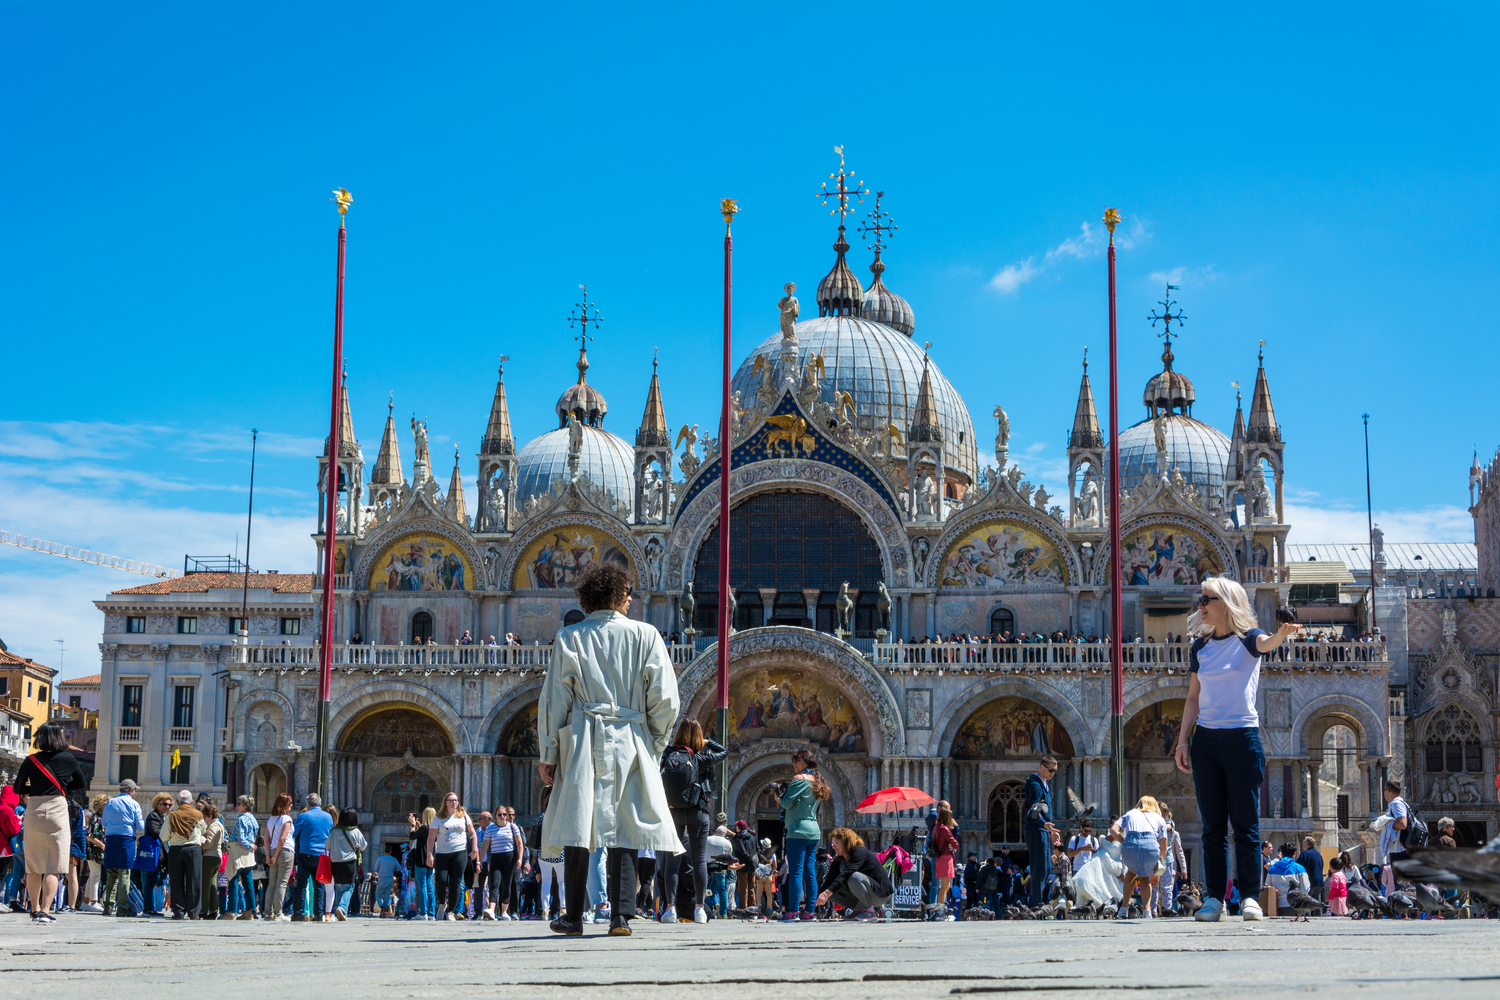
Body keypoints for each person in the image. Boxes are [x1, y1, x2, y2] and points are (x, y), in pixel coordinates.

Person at [536, 563, 684, 938]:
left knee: (577, 823)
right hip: (633, 736)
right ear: (616, 594)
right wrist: (653, 740)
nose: (632, 597)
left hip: (583, 736)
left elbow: (554, 701)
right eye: (629, 590)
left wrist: (549, 752)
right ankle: (620, 916)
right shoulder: (646, 635)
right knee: (626, 825)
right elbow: (666, 698)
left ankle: (573, 917)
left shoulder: (570, 637)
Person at [1174, 575, 1300, 923]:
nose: (1200, 605)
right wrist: (1183, 740)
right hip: (1206, 740)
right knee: (1212, 826)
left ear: (1225, 603)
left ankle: (1248, 897)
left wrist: (1282, 634)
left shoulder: (1248, 640)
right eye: (1200, 600)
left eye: (1207, 599)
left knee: (1245, 824)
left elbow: (1267, 644)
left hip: (1241, 739)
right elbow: (1193, 698)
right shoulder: (1200, 648)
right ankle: (1215, 898)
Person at [10, 722, 88, 922]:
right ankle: (46, 911)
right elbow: (80, 783)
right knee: (53, 864)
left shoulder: (31, 760)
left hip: (35, 809)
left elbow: (18, 787)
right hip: (57, 809)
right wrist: (61, 786)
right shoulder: (68, 758)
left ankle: (34, 909)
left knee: (33, 865)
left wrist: (36, 789)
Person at [658, 718, 728, 924]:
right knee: (698, 860)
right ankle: (699, 909)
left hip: (674, 811)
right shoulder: (701, 756)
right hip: (699, 810)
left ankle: (670, 909)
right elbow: (724, 752)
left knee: (672, 860)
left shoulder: (669, 753)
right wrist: (707, 741)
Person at [774, 747, 832, 922]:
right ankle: (809, 912)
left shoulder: (799, 779)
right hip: (813, 831)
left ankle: (791, 912)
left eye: (797, 760)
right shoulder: (816, 780)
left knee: (796, 871)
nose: (793, 763)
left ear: (806, 761)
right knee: (809, 872)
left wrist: (778, 798)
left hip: (797, 830)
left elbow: (786, 802)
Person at [1110, 796, 1169, 917]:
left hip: (1130, 844)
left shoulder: (1130, 813)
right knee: (1145, 876)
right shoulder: (1159, 818)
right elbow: (1163, 846)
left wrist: (1124, 842)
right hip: (1150, 846)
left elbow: (1113, 830)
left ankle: (1123, 908)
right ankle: (1147, 910)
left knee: (1130, 873)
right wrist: (1158, 870)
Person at [817, 827, 893, 920]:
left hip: (879, 894)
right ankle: (859, 910)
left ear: (845, 841)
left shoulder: (859, 851)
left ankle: (869, 912)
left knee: (852, 877)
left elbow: (846, 873)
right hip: (863, 894)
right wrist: (814, 900)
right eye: (832, 843)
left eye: (835, 843)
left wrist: (826, 893)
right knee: (831, 888)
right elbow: (829, 880)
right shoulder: (840, 859)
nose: (833, 846)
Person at [425, 792, 478, 920]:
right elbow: (431, 837)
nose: (454, 802)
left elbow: (473, 833)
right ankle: (442, 903)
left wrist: (475, 849)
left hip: (460, 853)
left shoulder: (463, 816)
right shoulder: (438, 818)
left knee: (456, 882)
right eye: (451, 800)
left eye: (456, 800)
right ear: (445, 802)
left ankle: (451, 912)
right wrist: (429, 854)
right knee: (441, 881)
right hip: (442, 853)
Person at [100, 779, 143, 917]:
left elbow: (103, 822)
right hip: (126, 839)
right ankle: (123, 906)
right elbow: (140, 826)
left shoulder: (110, 802)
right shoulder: (134, 804)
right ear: (131, 790)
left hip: (111, 839)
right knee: (124, 873)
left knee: (111, 872)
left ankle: (108, 905)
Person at [1024, 754, 1062, 908]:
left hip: (1043, 830)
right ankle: (1036, 904)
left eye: (1055, 771)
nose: (1052, 773)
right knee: (1039, 868)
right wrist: (1044, 824)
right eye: (1050, 770)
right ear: (1042, 767)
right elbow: (1033, 810)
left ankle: (1039, 902)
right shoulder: (1035, 785)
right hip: (1036, 830)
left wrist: (1050, 831)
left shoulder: (1043, 784)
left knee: (1047, 866)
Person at [290, 792, 333, 922]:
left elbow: (293, 832)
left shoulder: (304, 816)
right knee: (319, 885)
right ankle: (319, 914)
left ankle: (298, 913)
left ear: (308, 804)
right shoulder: (328, 817)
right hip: (322, 855)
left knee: (302, 884)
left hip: (306, 853)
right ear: (320, 804)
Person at [164, 790, 206, 920]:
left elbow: (163, 836)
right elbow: (203, 830)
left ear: (177, 802)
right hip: (193, 850)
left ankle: (179, 912)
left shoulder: (172, 815)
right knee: (194, 881)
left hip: (176, 849)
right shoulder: (198, 815)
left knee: (176, 881)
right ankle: (194, 912)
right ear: (191, 802)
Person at [479, 804, 523, 920]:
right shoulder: (490, 828)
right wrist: (479, 861)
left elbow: (519, 844)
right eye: (500, 814)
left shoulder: (513, 827)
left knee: (507, 885)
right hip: (496, 859)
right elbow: (484, 847)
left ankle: (504, 912)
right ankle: (492, 910)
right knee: (495, 884)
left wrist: (520, 859)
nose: (502, 816)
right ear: (495, 816)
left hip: (510, 859)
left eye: (504, 814)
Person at [328, 807, 367, 920]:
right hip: (350, 863)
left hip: (335, 863)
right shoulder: (355, 831)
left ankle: (339, 911)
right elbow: (364, 847)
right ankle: (342, 907)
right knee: (349, 887)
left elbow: (327, 846)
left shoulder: (333, 832)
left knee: (339, 887)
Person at [263, 792, 295, 921]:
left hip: (272, 850)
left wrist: (268, 855)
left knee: (272, 883)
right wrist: (276, 856)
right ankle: (278, 913)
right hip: (284, 851)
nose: (292, 805)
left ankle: (268, 912)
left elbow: (266, 839)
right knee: (282, 883)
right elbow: (283, 839)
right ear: (285, 805)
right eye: (290, 803)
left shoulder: (271, 819)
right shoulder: (286, 819)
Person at [1377, 780, 1411, 893]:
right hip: (1400, 850)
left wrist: (1387, 823)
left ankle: (1407, 910)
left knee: (1402, 887)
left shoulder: (1396, 803)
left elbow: (1402, 824)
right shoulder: (1399, 803)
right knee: (1403, 886)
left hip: (1399, 851)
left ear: (1387, 791)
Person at [228, 795, 258, 919]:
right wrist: (251, 846)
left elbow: (241, 837)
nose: (237, 806)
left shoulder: (241, 819)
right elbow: (255, 833)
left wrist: (248, 845)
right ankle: (250, 910)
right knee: (248, 880)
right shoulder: (253, 819)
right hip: (248, 852)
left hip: (238, 850)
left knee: (233, 878)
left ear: (245, 806)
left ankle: (231, 911)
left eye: (239, 804)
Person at [930, 804, 959, 917]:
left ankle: (941, 909)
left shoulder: (936, 827)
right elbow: (955, 843)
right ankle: (940, 911)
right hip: (945, 858)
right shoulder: (944, 828)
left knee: (946, 886)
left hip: (941, 857)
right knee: (944, 887)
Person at [409, 808, 436, 920]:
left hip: (421, 860)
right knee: (430, 887)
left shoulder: (424, 828)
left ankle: (422, 913)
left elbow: (412, 836)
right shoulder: (433, 829)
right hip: (431, 860)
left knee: (422, 887)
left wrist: (412, 826)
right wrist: (418, 827)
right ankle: (431, 914)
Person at [199, 802, 225, 919]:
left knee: (205, 885)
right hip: (217, 856)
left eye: (205, 816)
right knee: (212, 885)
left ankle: (204, 910)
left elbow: (209, 843)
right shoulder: (220, 824)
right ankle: (214, 909)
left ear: (209, 815)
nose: (204, 819)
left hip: (210, 856)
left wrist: (201, 844)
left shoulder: (214, 825)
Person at [1266, 841, 1310, 911]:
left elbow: (1267, 888)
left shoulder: (1272, 869)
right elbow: (1305, 889)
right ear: (1294, 854)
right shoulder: (1300, 869)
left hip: (1276, 907)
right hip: (1296, 907)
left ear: (1282, 853)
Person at [706, 824, 735, 917]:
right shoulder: (727, 843)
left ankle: (708, 910)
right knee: (722, 891)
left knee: (708, 890)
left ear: (716, 831)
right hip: (721, 870)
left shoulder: (707, 839)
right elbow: (730, 857)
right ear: (725, 835)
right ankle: (723, 913)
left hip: (708, 869)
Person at [731, 820, 756, 908]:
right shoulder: (752, 837)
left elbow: (742, 851)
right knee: (751, 889)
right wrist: (754, 862)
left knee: (743, 888)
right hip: (752, 866)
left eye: (736, 826)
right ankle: (753, 910)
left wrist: (749, 859)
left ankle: (743, 910)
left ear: (739, 827)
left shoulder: (739, 838)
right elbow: (757, 850)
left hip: (742, 866)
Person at [374, 844, 402, 917]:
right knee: (387, 896)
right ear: (390, 851)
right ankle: (384, 908)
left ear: (384, 851)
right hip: (390, 879)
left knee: (378, 895)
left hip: (381, 879)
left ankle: (381, 906)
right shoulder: (393, 859)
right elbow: (399, 868)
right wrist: (393, 869)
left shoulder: (380, 859)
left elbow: (375, 869)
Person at [1296, 836, 1326, 905]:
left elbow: (1298, 867)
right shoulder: (1318, 855)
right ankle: (1318, 915)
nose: (1302, 843)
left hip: (1310, 882)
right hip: (1319, 882)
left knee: (1308, 903)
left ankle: (1308, 916)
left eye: (1304, 842)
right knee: (1317, 904)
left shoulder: (1305, 854)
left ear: (1307, 843)